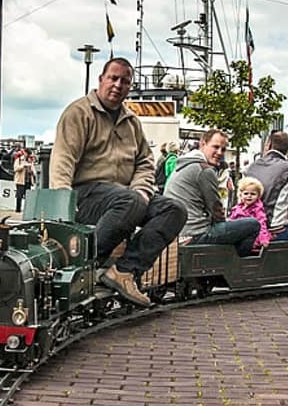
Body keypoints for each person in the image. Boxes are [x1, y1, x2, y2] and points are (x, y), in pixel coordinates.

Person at [49, 57, 187, 307]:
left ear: (130, 87)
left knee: (174, 210)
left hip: (125, 196)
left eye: (125, 81)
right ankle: (86, 266)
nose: (118, 85)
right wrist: (63, 205)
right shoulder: (79, 113)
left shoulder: (132, 122)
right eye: (113, 78)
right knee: (130, 201)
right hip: (86, 195)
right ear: (101, 79)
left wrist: (142, 190)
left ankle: (124, 272)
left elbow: (145, 161)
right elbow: (63, 159)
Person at [164, 129, 260, 256]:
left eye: (223, 149)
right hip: (194, 234)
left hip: (177, 234)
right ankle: (235, 265)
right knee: (253, 225)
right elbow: (216, 208)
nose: (219, 152)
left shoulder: (182, 166)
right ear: (202, 144)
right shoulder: (204, 170)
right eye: (215, 147)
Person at [229, 176, 272, 251]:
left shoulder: (257, 209)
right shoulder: (237, 208)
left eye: (253, 194)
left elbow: (262, 224)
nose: (249, 196)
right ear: (241, 195)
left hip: (252, 238)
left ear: (258, 196)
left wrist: (263, 239)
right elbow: (231, 221)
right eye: (246, 193)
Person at [13, 149, 27, 213]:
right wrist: (23, 166)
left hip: (27, 180)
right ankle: (18, 209)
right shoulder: (18, 161)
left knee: (27, 196)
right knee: (19, 195)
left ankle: (26, 209)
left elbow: (33, 169)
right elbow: (15, 169)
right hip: (20, 180)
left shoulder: (29, 161)